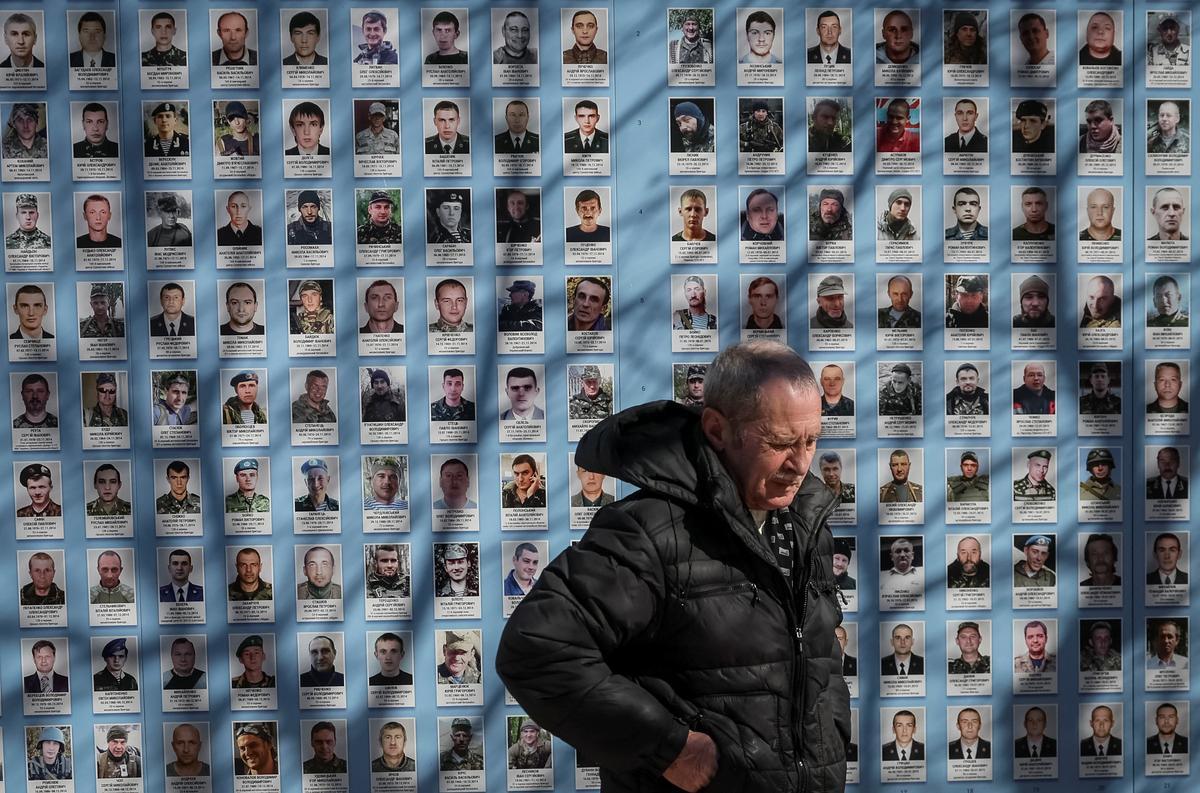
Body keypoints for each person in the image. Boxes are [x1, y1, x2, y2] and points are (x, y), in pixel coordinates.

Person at [498, 341, 849, 792]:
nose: (800, 464)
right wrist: (668, 748)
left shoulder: (806, 522)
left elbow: (818, 661)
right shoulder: (648, 530)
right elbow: (535, 649)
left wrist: (832, 734)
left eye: (811, 440)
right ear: (717, 429)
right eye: (780, 443)